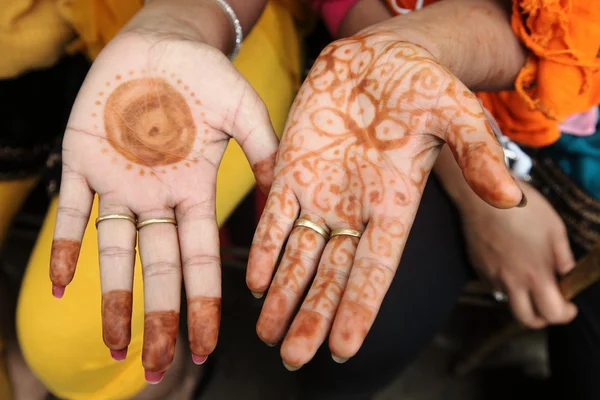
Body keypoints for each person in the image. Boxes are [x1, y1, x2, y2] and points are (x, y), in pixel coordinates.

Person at [247, 0, 600, 399]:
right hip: (397, 87)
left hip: (571, 130)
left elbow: (562, 38)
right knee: (346, 327)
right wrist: (480, 197)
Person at [7, 0, 306, 398]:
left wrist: (179, 20)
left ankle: (179, 385)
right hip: (26, 47)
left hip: (210, 32)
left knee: (68, 344)